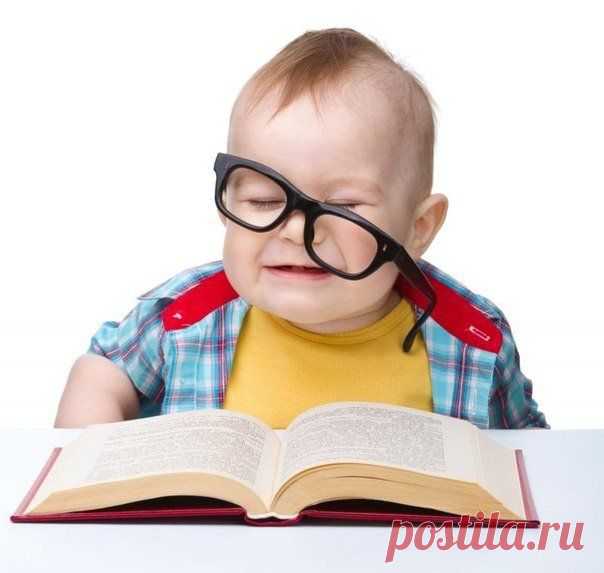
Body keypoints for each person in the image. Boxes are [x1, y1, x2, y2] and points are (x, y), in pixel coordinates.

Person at [54, 28, 549, 430]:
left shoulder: (473, 341)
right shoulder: (185, 316)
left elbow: (532, 459)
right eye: (263, 200)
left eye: (341, 206)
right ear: (227, 205)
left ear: (418, 228)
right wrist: (93, 463)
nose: (295, 231)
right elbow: (102, 370)